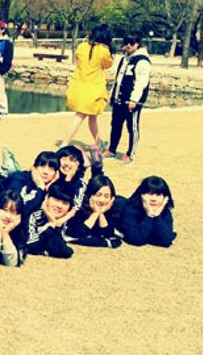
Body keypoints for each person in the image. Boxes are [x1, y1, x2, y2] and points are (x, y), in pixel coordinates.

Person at [61, 24, 114, 152]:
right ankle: (64, 143)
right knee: (80, 116)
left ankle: (98, 142)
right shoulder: (103, 50)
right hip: (93, 89)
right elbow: (108, 64)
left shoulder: (82, 46)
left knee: (92, 117)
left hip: (78, 86)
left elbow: (78, 60)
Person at [106, 34, 152, 164]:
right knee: (115, 125)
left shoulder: (142, 61)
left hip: (131, 101)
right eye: (126, 43)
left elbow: (141, 83)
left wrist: (134, 99)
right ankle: (112, 149)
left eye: (131, 43)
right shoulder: (124, 59)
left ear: (138, 43)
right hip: (119, 99)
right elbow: (118, 79)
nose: (128, 46)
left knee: (132, 127)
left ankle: (130, 153)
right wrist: (112, 95)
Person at [63, 175, 122, 248]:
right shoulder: (78, 208)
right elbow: (78, 234)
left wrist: (100, 213)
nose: (102, 200)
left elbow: (107, 235)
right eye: (98, 195)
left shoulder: (111, 209)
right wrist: (95, 213)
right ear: (90, 195)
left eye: (106, 196)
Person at [117, 176, 176, 247]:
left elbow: (166, 240)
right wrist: (149, 216)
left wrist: (157, 216)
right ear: (141, 195)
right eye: (150, 194)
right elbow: (137, 239)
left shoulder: (165, 212)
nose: (154, 199)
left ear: (165, 198)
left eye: (158, 195)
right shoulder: (130, 210)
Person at [25, 184, 76, 259]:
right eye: (56, 200)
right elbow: (30, 246)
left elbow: (63, 249)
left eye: (65, 203)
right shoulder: (33, 214)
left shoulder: (61, 218)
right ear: (46, 198)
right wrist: (52, 224)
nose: (59, 206)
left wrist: (55, 222)